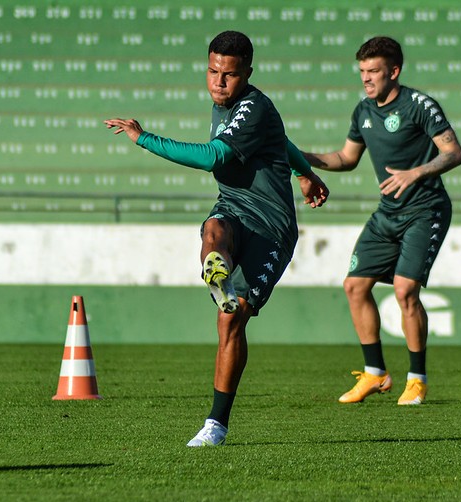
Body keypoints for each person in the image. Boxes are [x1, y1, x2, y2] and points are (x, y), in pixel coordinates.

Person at [105, 30, 328, 447]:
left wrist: (145, 139)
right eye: (212, 71)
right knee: (214, 229)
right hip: (235, 207)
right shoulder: (224, 104)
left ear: (247, 74)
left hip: (271, 228)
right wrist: (304, 172)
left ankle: (217, 424)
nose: (218, 82)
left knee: (231, 321)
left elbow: (215, 156)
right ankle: (218, 271)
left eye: (228, 75)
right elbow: (283, 141)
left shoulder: (254, 107)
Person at [301, 36, 461, 406]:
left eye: (373, 71)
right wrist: (301, 156)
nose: (366, 78)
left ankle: (417, 379)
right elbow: (346, 158)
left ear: (394, 71)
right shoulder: (363, 111)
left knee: (406, 290)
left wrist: (416, 173)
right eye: (362, 71)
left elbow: (454, 153)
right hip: (387, 214)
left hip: (426, 209)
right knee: (354, 287)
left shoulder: (420, 105)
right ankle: (375, 373)